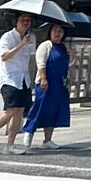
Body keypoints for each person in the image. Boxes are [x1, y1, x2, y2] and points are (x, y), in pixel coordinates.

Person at [14, 20, 72, 152]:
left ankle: (47, 139)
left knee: (53, 110)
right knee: (40, 107)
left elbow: (67, 64)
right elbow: (41, 63)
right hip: (46, 81)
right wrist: (43, 78)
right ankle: (29, 131)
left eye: (60, 31)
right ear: (50, 32)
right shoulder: (46, 45)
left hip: (59, 83)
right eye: (55, 30)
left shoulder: (63, 47)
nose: (58, 33)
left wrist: (71, 56)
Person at [0, 11, 35, 152]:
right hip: (9, 78)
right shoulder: (7, 37)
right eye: (23, 19)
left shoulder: (32, 37)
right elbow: (4, 56)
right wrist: (21, 44)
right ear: (16, 21)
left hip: (24, 79)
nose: (26, 22)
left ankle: (10, 145)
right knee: (10, 110)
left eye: (28, 20)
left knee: (19, 111)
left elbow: (29, 59)